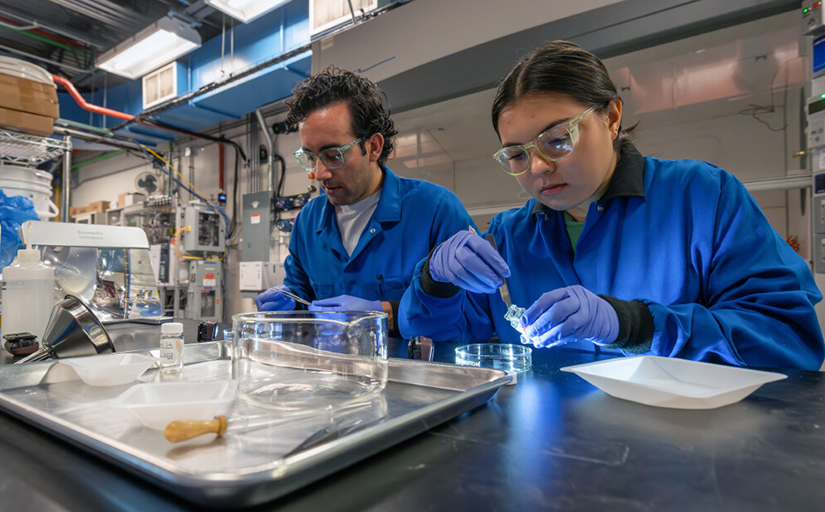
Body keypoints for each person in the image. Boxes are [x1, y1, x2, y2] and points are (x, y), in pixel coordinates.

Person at [399, 40, 825, 370]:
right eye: (517, 155)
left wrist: (634, 326)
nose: (540, 167)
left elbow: (787, 339)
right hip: (547, 461)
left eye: (558, 139)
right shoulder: (509, 238)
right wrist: (435, 279)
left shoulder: (701, 197)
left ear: (611, 117)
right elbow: (438, 337)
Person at [255, 66, 476, 338]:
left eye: (333, 155)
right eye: (310, 157)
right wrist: (288, 301)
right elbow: (301, 291)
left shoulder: (435, 210)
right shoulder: (308, 221)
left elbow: (475, 318)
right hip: (331, 375)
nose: (319, 174)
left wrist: (385, 313)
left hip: (414, 377)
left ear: (373, 147)